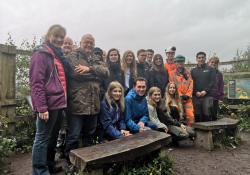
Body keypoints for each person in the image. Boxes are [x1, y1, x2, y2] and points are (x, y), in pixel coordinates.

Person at [30, 24, 69, 174]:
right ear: (48, 36)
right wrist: (42, 107)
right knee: (41, 139)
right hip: (48, 105)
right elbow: (36, 83)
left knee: (52, 138)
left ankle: (49, 165)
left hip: (59, 103)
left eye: (61, 37)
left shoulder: (57, 55)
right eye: (56, 36)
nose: (59, 39)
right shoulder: (41, 54)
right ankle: (39, 171)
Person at [65, 34, 109, 161]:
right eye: (86, 42)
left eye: (91, 43)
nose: (89, 45)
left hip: (93, 103)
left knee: (89, 134)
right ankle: (70, 161)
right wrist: (96, 74)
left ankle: (88, 160)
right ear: (80, 42)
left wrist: (89, 68)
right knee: (74, 135)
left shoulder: (95, 57)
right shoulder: (72, 56)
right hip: (77, 102)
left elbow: (106, 73)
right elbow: (77, 74)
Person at [191, 52, 216, 122]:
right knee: (197, 115)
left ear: (205, 58)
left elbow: (213, 82)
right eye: (199, 58)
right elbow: (191, 83)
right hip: (196, 96)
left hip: (207, 95)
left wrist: (205, 91)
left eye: (202, 57)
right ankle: (198, 131)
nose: (201, 59)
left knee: (207, 114)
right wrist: (195, 92)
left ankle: (208, 131)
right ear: (196, 59)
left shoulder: (211, 69)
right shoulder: (193, 71)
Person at [172, 55, 194, 126]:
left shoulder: (188, 73)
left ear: (184, 62)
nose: (180, 64)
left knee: (190, 115)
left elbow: (191, 84)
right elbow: (172, 86)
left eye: (181, 62)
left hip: (188, 99)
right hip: (177, 98)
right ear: (175, 63)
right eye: (178, 62)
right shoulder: (172, 74)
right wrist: (180, 95)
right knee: (178, 115)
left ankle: (191, 130)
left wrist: (188, 95)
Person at [208, 56, 224, 120]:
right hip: (206, 96)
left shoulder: (219, 74)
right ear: (209, 63)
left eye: (216, 63)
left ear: (217, 64)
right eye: (212, 62)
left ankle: (214, 129)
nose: (213, 64)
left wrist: (220, 97)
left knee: (214, 114)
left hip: (215, 97)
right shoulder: (205, 72)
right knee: (207, 114)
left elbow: (221, 85)